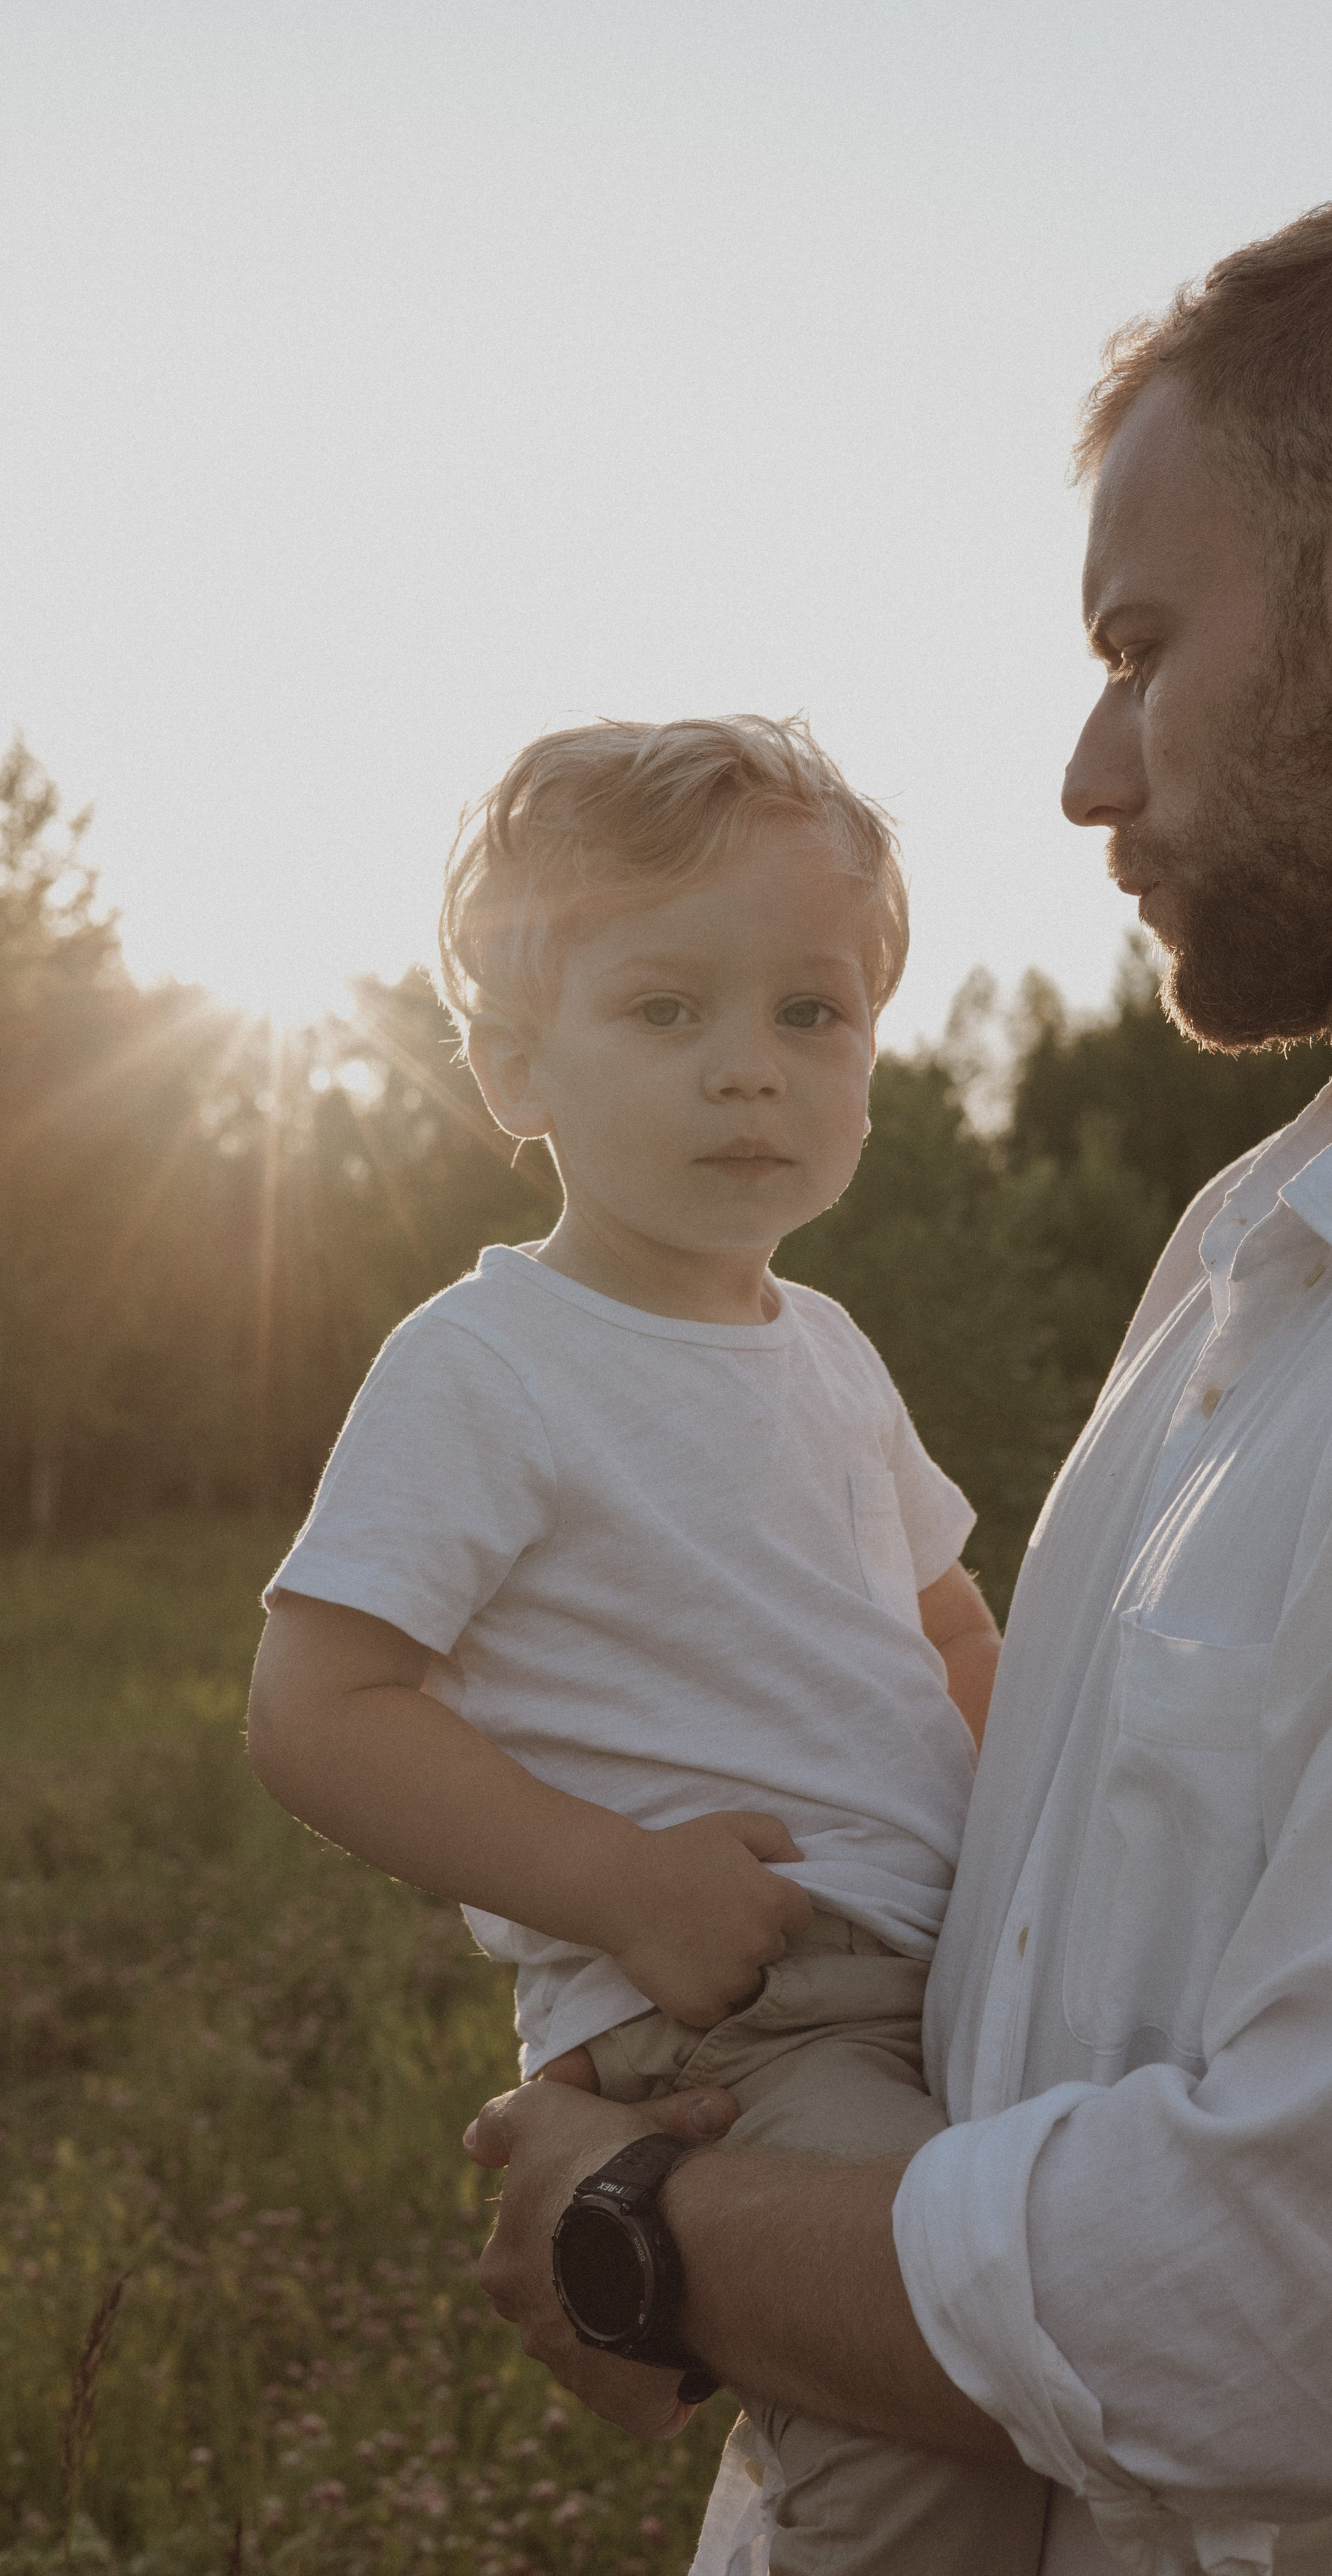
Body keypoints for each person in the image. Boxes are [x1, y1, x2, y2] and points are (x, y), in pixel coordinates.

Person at [463, 186, 1332, 2576]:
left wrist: (660, 2236)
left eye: (1141, 649)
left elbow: (1305, 2300)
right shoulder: (1263, 1229)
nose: (1084, 771)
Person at [244, 714, 1050, 2574]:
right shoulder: (493, 1361)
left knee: (1081, 2377)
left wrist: (1066, 1843)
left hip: (939, 1981)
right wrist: (625, 1891)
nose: (748, 1075)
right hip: (743, 2006)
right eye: (667, 1013)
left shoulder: (829, 1350)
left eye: (808, 1017)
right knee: (931, 2422)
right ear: (514, 1067)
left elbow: (946, 1628)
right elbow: (315, 1704)